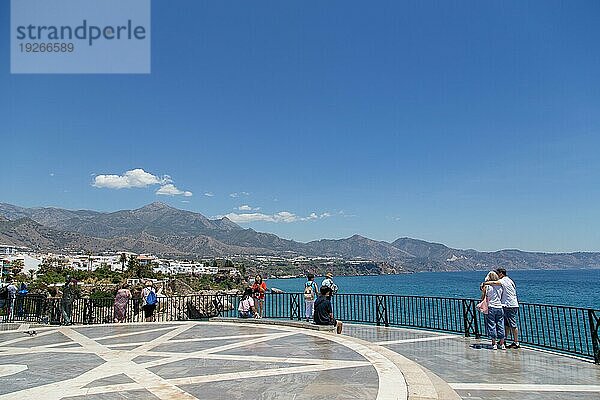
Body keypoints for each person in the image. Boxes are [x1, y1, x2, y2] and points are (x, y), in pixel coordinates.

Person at [482, 268, 520, 349]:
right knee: (506, 324)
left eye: (498, 273)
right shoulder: (510, 280)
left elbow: (494, 282)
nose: (497, 276)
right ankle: (503, 341)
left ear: (501, 273)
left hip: (508, 305)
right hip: (510, 304)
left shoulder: (503, 280)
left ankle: (516, 342)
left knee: (512, 324)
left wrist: (485, 283)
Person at [482, 271, 505, 350]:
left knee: (492, 325)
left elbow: (483, 296)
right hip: (499, 307)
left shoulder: (487, 286)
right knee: (500, 324)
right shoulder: (500, 286)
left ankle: (494, 343)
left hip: (491, 307)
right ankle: (502, 343)